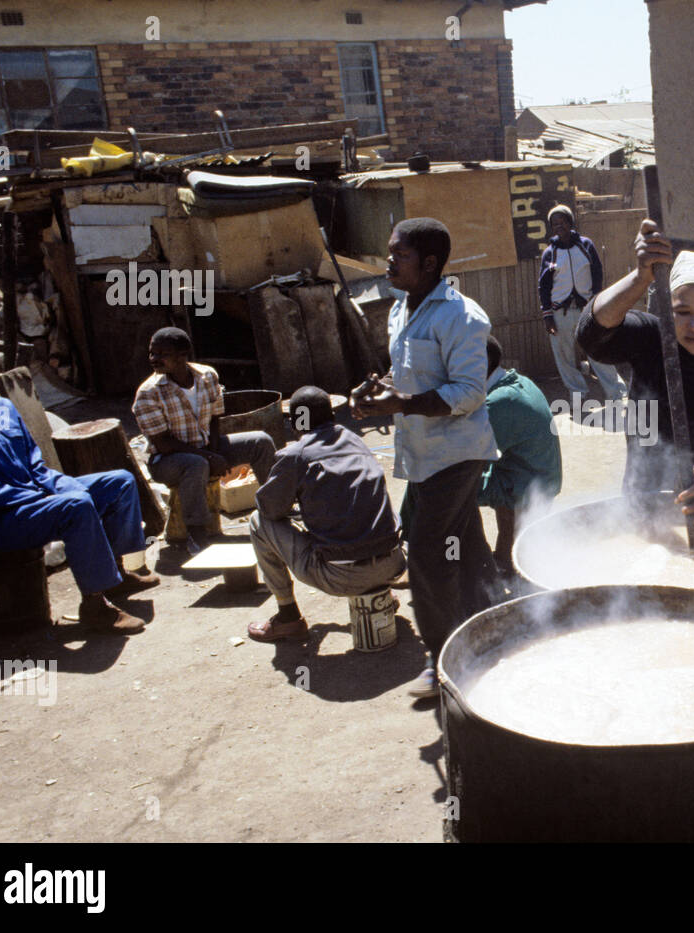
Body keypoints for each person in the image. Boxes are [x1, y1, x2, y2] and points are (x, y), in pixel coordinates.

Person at [350, 217, 498, 699]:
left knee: (428, 555)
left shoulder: (461, 316)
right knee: (468, 544)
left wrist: (402, 404)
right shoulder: (400, 309)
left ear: (430, 263)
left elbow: (470, 392)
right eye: (390, 252)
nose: (389, 260)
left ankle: (440, 659)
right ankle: (494, 626)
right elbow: (406, 375)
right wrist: (378, 392)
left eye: (401, 254)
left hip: (456, 453)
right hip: (423, 452)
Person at [576, 219, 694, 526]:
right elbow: (592, 335)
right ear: (668, 309)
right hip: (642, 501)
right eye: (682, 312)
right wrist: (641, 277)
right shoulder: (651, 339)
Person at [0, 345, 156, 633]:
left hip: (32, 496)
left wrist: (62, 486)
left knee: (119, 483)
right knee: (75, 507)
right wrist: (45, 497)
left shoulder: (0, 408)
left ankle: (118, 573)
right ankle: (95, 606)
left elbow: (34, 462)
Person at [246, 387, 405, 642]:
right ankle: (378, 592)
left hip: (341, 578)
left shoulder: (294, 455)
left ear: (297, 421)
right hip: (393, 564)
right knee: (364, 513)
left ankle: (288, 618)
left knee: (258, 523)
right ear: (332, 415)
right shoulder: (356, 441)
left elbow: (270, 510)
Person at [133, 327, 275, 556]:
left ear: (182, 355)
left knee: (261, 441)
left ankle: (275, 509)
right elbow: (163, 443)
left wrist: (215, 451)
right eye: (152, 353)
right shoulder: (148, 393)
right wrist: (209, 457)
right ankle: (196, 532)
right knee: (195, 464)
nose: (154, 359)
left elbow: (215, 418)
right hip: (167, 461)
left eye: (162, 354)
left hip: (205, 449)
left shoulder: (207, 375)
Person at [479, 334, 562, 574]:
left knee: (452, 484)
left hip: (527, 486)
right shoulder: (516, 381)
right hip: (538, 479)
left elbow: (468, 454)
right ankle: (506, 558)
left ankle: (464, 560)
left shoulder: (498, 402)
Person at [538, 204, 627, 402]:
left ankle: (617, 394)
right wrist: (547, 316)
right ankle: (577, 396)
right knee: (565, 357)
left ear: (570, 223)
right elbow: (543, 287)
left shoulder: (585, 245)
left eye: (562, 222)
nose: (558, 227)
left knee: (598, 351)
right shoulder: (549, 253)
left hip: (586, 309)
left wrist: (596, 301)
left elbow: (597, 273)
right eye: (554, 224)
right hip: (560, 312)